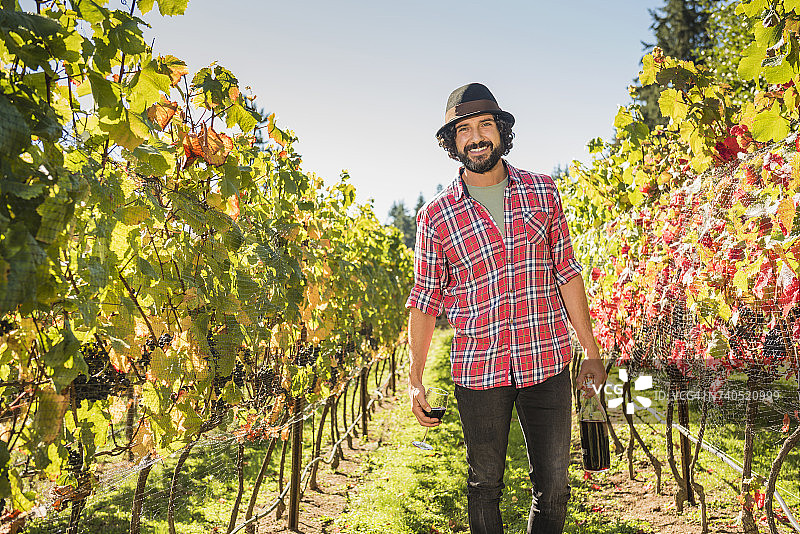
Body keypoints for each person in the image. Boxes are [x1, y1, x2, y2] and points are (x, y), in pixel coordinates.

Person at [406, 83, 607, 534]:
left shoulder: (544, 192)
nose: (476, 137)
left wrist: (590, 351)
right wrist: (416, 377)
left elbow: (567, 272)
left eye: (484, 125)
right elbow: (424, 299)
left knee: (554, 486)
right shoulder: (435, 216)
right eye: (463, 130)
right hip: (479, 369)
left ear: (501, 132)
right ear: (452, 142)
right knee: (484, 485)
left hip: (548, 361)